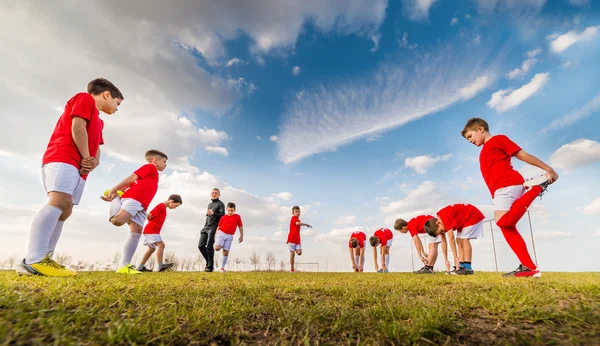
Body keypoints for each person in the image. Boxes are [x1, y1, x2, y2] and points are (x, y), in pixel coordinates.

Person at [17, 78, 123, 277]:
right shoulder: (84, 99)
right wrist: (85, 157)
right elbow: (77, 128)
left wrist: (94, 161)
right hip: (63, 157)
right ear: (107, 94)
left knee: (65, 211)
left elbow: (97, 147)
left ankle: (45, 259)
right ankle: (34, 259)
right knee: (58, 201)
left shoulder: (100, 122)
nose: (117, 108)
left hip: (81, 169)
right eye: (118, 103)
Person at [461, 117, 558, 277]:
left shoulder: (498, 140)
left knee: (503, 221)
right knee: (507, 227)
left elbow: (522, 155)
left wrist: (548, 169)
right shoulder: (485, 149)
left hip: (507, 184)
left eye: (470, 136)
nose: (469, 140)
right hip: (501, 188)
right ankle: (529, 267)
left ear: (480, 129)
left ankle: (536, 187)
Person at [102, 149, 168, 274]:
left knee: (136, 232)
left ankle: (123, 266)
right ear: (155, 160)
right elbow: (132, 177)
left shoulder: (151, 174)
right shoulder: (150, 167)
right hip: (135, 199)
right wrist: (113, 191)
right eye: (164, 161)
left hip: (142, 205)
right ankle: (117, 199)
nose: (165, 164)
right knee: (117, 221)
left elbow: (130, 184)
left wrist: (119, 190)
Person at [424, 203, 485, 275]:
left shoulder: (445, 217)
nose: (443, 232)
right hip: (464, 220)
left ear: (438, 223)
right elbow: (444, 243)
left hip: (473, 216)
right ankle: (461, 267)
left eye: (441, 231)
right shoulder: (440, 221)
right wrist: (446, 260)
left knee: (464, 239)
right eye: (440, 233)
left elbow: (451, 239)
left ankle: (468, 268)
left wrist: (455, 257)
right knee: (459, 241)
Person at [136, 194, 183, 272]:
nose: (175, 208)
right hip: (152, 230)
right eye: (176, 205)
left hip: (152, 230)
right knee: (161, 245)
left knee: (151, 249)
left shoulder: (163, 207)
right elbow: (149, 215)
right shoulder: (161, 206)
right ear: (171, 201)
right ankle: (160, 265)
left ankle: (140, 267)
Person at [198, 188, 225, 272]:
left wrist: (214, 214)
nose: (214, 194)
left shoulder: (221, 204)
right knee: (200, 246)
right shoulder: (209, 204)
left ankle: (209, 267)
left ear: (219, 195)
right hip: (206, 227)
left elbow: (222, 216)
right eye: (213, 193)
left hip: (214, 227)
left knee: (209, 246)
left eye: (216, 193)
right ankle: (209, 263)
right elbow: (209, 216)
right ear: (210, 194)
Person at [213, 202, 244, 273]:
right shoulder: (223, 217)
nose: (230, 212)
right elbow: (218, 227)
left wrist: (241, 235)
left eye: (232, 210)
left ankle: (222, 268)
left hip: (230, 236)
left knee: (226, 252)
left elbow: (240, 226)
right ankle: (216, 244)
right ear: (227, 209)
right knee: (217, 248)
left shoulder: (237, 217)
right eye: (229, 210)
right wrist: (215, 235)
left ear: (235, 210)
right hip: (221, 234)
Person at [287, 206, 312, 273]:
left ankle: (294, 249)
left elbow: (298, 223)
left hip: (297, 240)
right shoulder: (293, 218)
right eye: (296, 212)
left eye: (299, 211)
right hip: (291, 239)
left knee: (299, 253)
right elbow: (297, 224)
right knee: (292, 254)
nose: (298, 213)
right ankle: (292, 268)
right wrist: (306, 224)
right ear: (293, 213)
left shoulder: (298, 220)